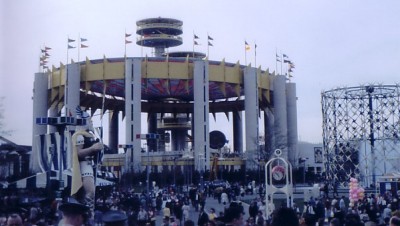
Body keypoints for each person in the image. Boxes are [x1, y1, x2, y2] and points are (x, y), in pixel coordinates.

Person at [71, 106, 104, 208]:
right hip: (83, 164)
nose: (91, 122)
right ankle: (88, 211)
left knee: (90, 193)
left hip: (89, 164)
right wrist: (93, 148)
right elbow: (78, 153)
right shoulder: (79, 135)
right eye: (89, 120)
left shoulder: (88, 135)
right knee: (90, 192)